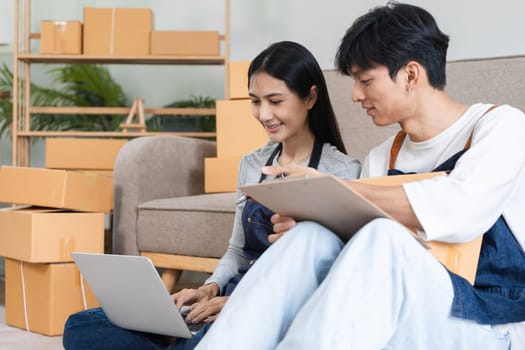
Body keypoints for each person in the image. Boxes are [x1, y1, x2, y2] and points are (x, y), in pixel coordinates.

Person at [194, 2, 525, 349]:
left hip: (490, 324)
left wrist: (334, 191)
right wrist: (315, 215)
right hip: (405, 312)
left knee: (384, 236)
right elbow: (357, 257)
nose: (355, 95)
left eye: (365, 80)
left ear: (411, 75)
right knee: (310, 238)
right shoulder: (381, 157)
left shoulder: (501, 127)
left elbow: (461, 209)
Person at [62, 40, 361, 350]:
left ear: (310, 97)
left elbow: (329, 279)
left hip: (269, 311)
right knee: (80, 327)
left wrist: (238, 303)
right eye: (255, 101)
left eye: (275, 100)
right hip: (224, 298)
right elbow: (236, 250)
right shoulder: (252, 163)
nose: (263, 114)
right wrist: (209, 289)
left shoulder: (342, 171)